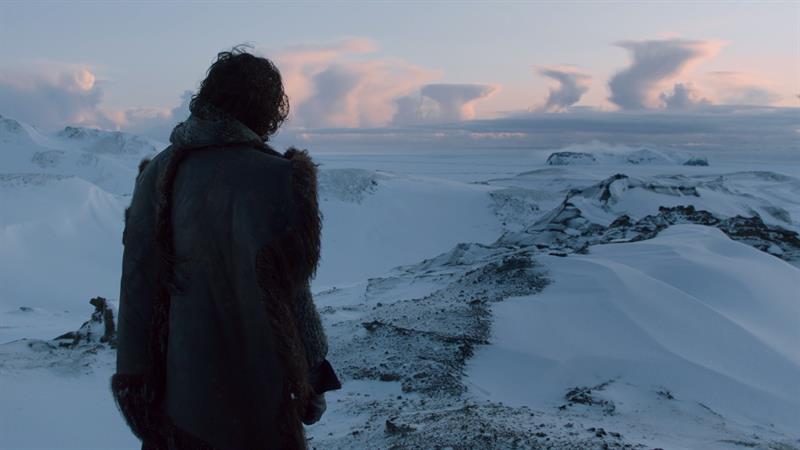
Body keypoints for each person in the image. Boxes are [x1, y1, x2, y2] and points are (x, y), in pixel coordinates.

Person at [110, 47, 340, 450]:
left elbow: (136, 284)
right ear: (267, 108)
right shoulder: (277, 177)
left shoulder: (156, 173)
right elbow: (292, 295)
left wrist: (135, 382)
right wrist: (312, 374)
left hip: (176, 399)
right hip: (256, 397)